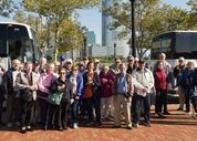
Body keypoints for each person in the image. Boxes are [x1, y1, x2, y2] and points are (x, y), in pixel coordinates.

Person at [16, 62, 39, 133]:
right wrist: (28, 87)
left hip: (33, 96)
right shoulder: (20, 74)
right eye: (28, 67)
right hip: (24, 96)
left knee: (30, 112)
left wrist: (34, 87)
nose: (29, 68)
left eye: (31, 67)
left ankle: (28, 125)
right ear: (25, 67)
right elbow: (17, 84)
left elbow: (37, 85)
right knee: (24, 111)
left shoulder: (35, 75)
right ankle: (23, 126)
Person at [133, 60, 155, 128]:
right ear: (138, 64)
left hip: (147, 92)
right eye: (140, 64)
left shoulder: (149, 72)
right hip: (139, 92)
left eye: (143, 63)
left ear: (145, 64)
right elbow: (134, 82)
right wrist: (142, 88)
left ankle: (147, 121)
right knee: (137, 107)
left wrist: (148, 87)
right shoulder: (135, 72)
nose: (142, 65)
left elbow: (152, 81)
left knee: (147, 107)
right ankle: (136, 122)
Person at [113, 63, 133, 129]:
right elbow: (114, 85)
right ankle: (117, 124)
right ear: (119, 68)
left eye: (123, 68)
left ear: (126, 68)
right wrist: (114, 94)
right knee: (117, 110)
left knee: (127, 110)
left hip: (126, 95)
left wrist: (130, 95)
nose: (122, 69)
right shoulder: (117, 76)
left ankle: (128, 124)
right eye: (121, 68)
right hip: (118, 94)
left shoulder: (129, 76)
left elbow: (131, 87)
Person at [38, 63, 57, 129]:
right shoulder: (42, 75)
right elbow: (40, 85)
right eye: (49, 67)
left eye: (52, 67)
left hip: (52, 95)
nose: (51, 69)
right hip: (43, 94)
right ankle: (44, 124)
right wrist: (46, 90)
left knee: (51, 110)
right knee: (44, 110)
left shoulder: (55, 76)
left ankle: (50, 124)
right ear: (47, 68)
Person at [3, 59, 21, 128]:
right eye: (15, 63)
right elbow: (4, 84)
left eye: (18, 64)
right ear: (12, 64)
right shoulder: (8, 72)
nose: (16, 65)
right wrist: (5, 93)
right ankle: (9, 121)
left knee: (18, 108)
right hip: (10, 93)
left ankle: (16, 121)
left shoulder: (21, 72)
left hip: (19, 93)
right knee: (9, 108)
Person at [83, 61, 101, 126]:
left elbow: (99, 84)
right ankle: (91, 120)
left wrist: (93, 83)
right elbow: (83, 84)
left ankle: (98, 121)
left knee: (97, 108)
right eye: (89, 65)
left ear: (93, 67)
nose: (91, 66)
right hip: (87, 93)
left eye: (92, 65)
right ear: (87, 66)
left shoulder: (96, 74)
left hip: (95, 93)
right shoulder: (85, 74)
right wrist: (86, 83)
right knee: (89, 108)